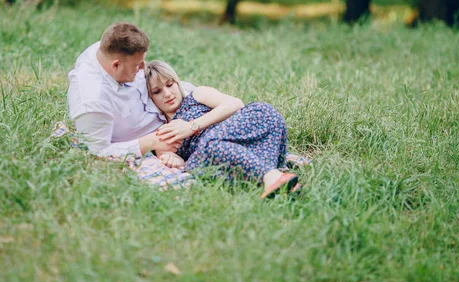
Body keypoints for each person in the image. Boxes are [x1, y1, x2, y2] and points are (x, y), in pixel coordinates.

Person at [145, 60, 302, 198]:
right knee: (208, 147)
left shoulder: (197, 95)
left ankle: (269, 176)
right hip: (211, 156)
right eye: (157, 91)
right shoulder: (162, 130)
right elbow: (172, 159)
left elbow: (235, 104)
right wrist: (174, 160)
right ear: (150, 98)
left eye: (169, 84)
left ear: (177, 82)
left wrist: (191, 126)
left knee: (264, 110)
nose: (167, 94)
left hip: (238, 135)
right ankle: (273, 176)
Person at [67, 22, 194, 158]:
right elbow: (97, 151)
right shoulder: (92, 101)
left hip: (187, 108)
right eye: (137, 65)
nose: (143, 68)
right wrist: (150, 142)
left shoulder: (110, 49)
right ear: (116, 65)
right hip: (171, 140)